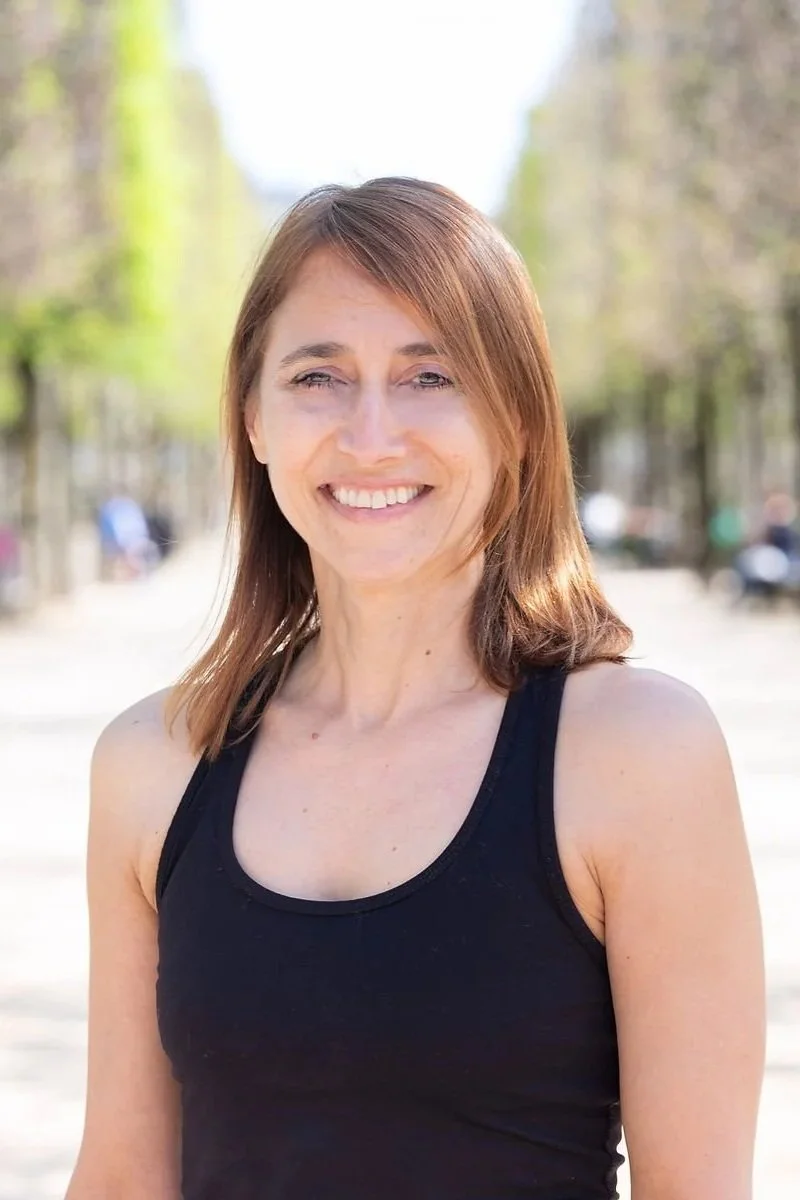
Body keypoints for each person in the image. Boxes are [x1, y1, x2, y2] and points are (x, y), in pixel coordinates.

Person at [66, 178, 764, 1200]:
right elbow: (122, 1179)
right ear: (252, 421)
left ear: (515, 419)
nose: (371, 434)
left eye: (430, 374)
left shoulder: (635, 755)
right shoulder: (151, 765)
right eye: (317, 376)